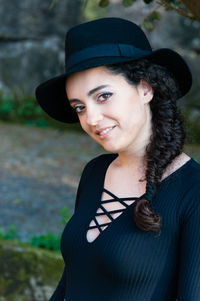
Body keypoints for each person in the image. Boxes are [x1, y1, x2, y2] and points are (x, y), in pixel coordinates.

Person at [35, 17, 200, 301]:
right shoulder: (95, 172)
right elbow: (72, 278)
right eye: (79, 108)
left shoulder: (192, 191)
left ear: (146, 88)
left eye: (103, 96)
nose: (92, 119)